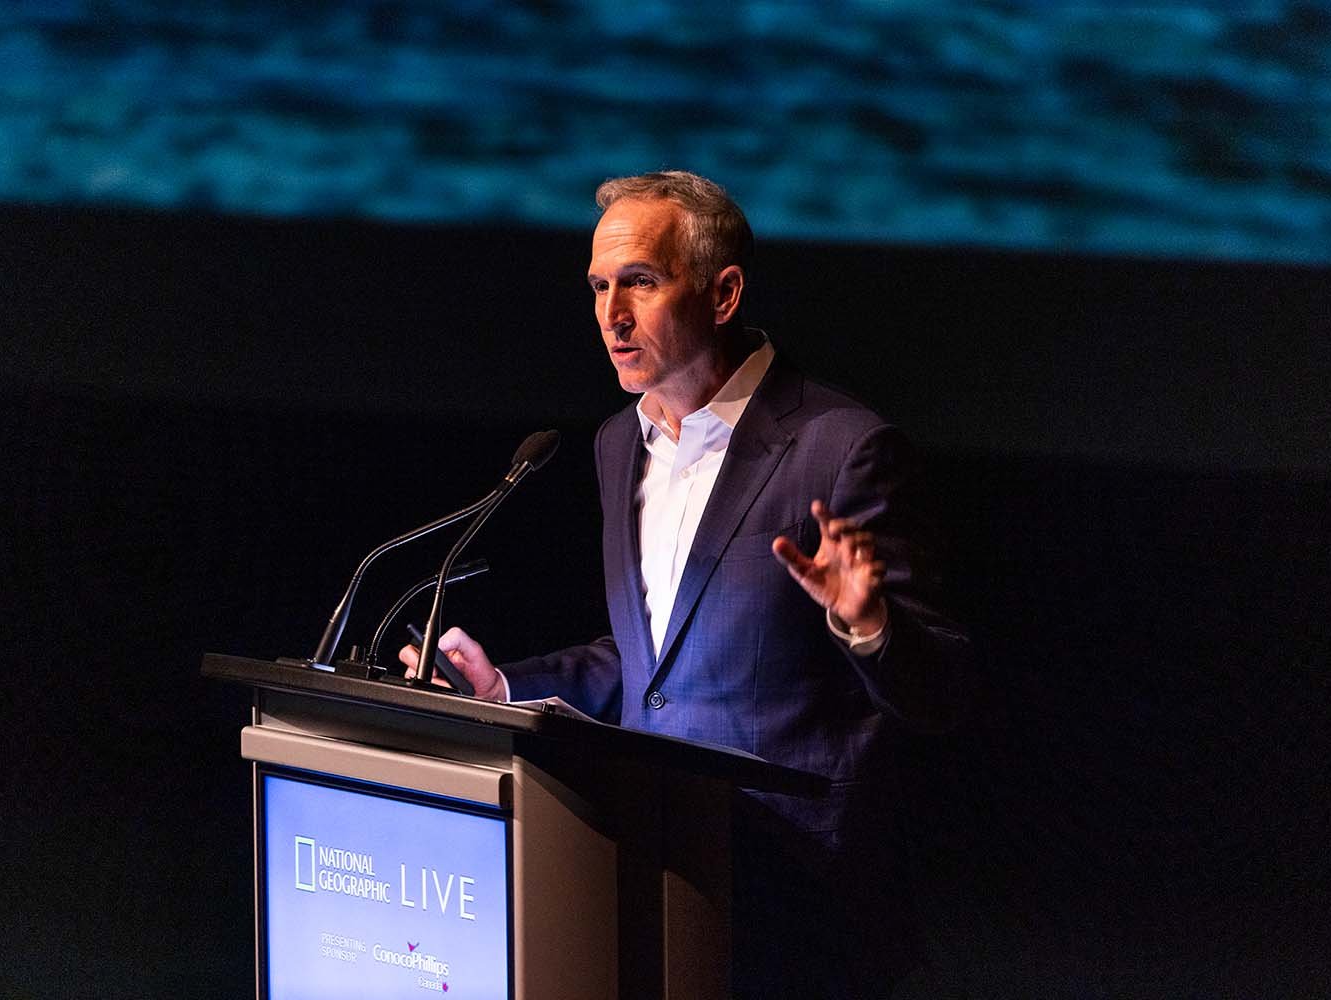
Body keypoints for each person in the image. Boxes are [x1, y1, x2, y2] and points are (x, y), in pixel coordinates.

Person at [401, 171, 969, 996]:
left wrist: (868, 624)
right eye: (598, 286)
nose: (610, 315)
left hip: (799, 900)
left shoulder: (840, 447)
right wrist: (506, 690)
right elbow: (649, 663)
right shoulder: (615, 445)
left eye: (640, 282)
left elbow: (941, 690)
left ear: (724, 291)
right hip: (645, 870)